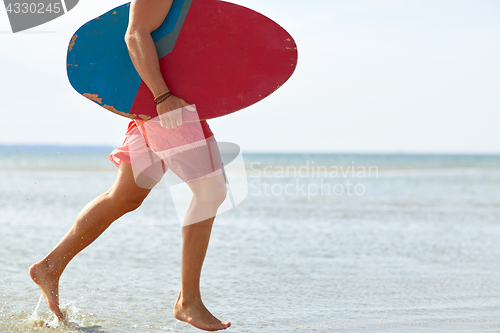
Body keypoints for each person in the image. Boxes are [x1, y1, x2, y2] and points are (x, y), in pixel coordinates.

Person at [29, 0, 231, 331]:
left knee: (127, 194)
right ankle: (188, 301)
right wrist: (162, 96)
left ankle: (50, 267)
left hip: (162, 98)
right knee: (210, 192)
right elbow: (135, 34)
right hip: (166, 102)